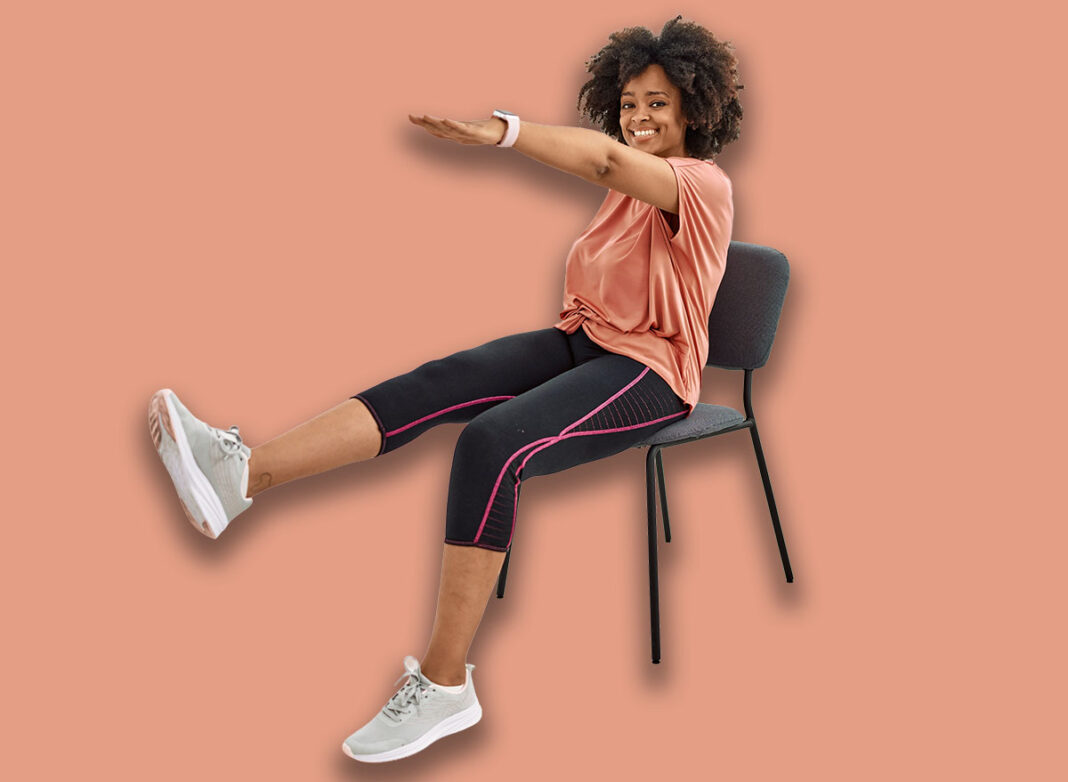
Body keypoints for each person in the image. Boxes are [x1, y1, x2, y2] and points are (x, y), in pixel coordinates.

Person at [148, 15, 742, 763]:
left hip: (652, 373)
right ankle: (241, 476)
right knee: (439, 382)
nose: (639, 118)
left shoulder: (702, 186)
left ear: (694, 107)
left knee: (493, 444)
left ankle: (445, 682)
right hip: (586, 339)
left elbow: (600, 163)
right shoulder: (631, 191)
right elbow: (608, 172)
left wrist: (506, 133)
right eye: (628, 104)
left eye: (658, 103)